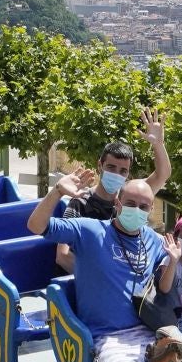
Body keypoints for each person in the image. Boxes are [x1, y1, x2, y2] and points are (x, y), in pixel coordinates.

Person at [29, 167, 167, 362]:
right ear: (117, 204)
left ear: (151, 210)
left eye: (144, 207)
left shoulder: (153, 241)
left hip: (147, 332)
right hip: (108, 340)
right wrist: (56, 192)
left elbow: (172, 280)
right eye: (130, 204)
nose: (136, 211)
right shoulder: (90, 230)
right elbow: (36, 226)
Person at [56, 107, 170, 269]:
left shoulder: (132, 196)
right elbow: (63, 255)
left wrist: (158, 145)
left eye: (123, 170)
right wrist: (104, 276)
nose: (117, 174)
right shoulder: (80, 203)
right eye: (111, 167)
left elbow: (162, 174)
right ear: (100, 166)